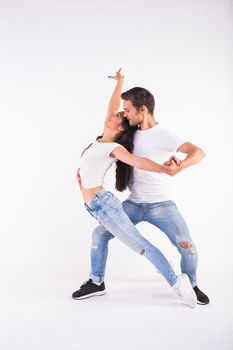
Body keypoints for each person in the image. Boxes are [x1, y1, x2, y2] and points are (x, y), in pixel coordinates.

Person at [73, 71, 210, 306]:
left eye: (127, 110)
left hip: (162, 204)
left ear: (142, 109)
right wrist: (119, 84)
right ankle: (96, 282)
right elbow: (111, 112)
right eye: (123, 111)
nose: (123, 113)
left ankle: (192, 284)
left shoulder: (166, 135)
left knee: (187, 246)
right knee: (99, 234)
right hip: (134, 204)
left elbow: (198, 152)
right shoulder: (127, 133)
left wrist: (179, 166)